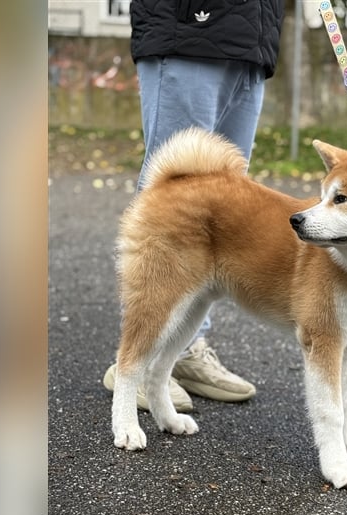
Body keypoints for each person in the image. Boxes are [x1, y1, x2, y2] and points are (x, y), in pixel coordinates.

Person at [103, 0, 285, 412]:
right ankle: (136, 357)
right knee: (172, 198)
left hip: (250, 40)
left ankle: (182, 350)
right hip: (189, 26)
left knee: (223, 206)